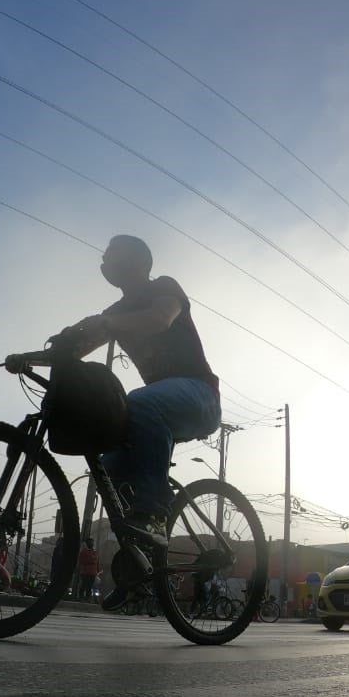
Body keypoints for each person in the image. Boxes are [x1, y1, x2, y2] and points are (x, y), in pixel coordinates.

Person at [47, 236, 220, 610]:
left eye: (111, 256)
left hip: (198, 395)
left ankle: (155, 511)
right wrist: (34, 357)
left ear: (136, 262)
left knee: (137, 403)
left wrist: (106, 322)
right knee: (109, 468)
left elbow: (161, 319)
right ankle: (138, 569)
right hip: (161, 405)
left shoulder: (164, 288)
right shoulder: (116, 310)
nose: (104, 263)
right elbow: (80, 346)